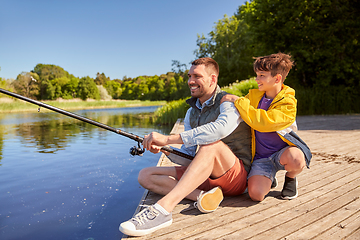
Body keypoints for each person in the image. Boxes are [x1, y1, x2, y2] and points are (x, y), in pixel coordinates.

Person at [119, 57, 252, 236]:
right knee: (146, 175)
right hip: (207, 176)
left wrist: (167, 139)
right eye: (189, 76)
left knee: (210, 145)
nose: (190, 81)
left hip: (236, 177)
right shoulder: (191, 112)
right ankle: (202, 197)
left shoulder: (228, 101)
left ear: (213, 79)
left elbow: (219, 130)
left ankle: (163, 210)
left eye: (197, 76)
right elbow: (188, 155)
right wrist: (165, 149)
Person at [222, 52, 312, 202]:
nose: (257, 79)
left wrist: (238, 101)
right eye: (257, 75)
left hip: (283, 153)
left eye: (262, 75)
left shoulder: (288, 103)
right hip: (261, 158)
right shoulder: (254, 96)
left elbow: (263, 122)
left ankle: (291, 178)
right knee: (256, 195)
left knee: (297, 158)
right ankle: (269, 177)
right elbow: (241, 107)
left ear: (277, 78)